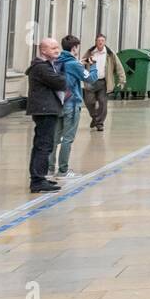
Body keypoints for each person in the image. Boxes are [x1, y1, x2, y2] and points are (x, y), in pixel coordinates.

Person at [26, 38, 67, 193]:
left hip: (46, 109)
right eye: (53, 48)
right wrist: (63, 74)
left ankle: (39, 177)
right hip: (45, 109)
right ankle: (37, 180)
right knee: (44, 144)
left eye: (58, 47)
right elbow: (61, 82)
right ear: (43, 50)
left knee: (44, 144)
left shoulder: (46, 66)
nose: (57, 50)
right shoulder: (41, 68)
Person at [53, 35, 90, 180]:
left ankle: (50, 168)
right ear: (74, 48)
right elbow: (90, 78)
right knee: (67, 138)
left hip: (58, 103)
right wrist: (91, 66)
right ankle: (63, 170)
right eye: (77, 47)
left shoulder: (56, 61)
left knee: (55, 138)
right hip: (72, 104)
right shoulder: (74, 64)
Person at [83, 34, 124, 132]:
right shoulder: (90, 52)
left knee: (102, 103)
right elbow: (82, 63)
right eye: (99, 40)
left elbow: (119, 67)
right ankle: (94, 117)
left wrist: (122, 80)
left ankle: (99, 123)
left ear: (105, 42)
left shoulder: (110, 54)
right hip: (91, 81)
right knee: (89, 102)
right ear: (96, 42)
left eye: (102, 40)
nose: (100, 42)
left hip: (103, 82)